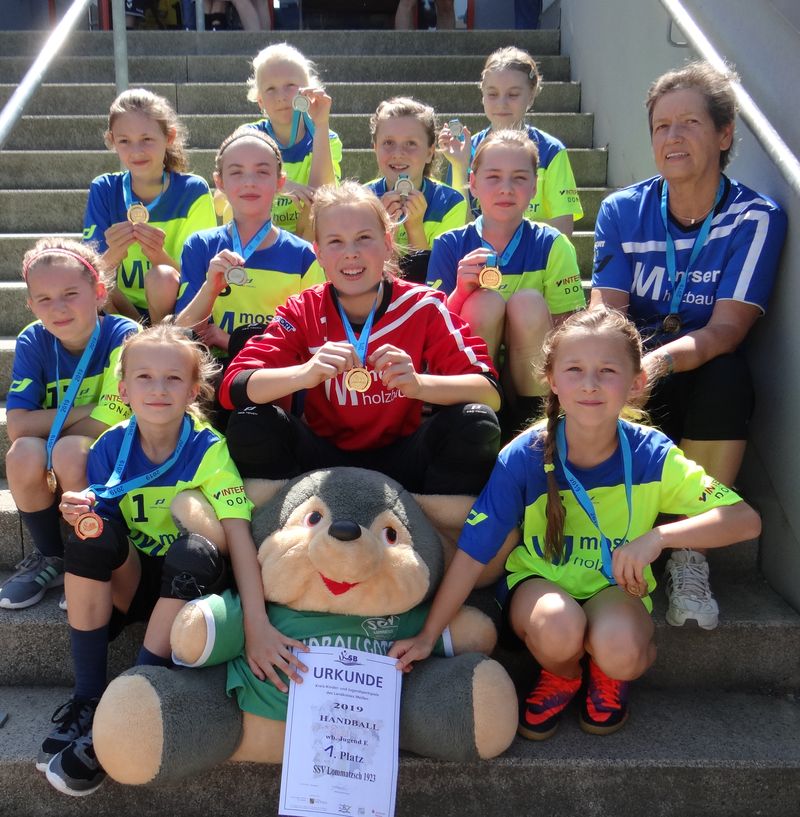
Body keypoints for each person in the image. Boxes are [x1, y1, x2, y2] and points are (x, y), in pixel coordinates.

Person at [390, 307, 760, 740]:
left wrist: (659, 537)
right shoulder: (525, 454)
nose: (589, 384)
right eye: (574, 369)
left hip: (613, 586)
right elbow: (474, 551)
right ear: (551, 379)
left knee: (621, 650)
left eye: (608, 371)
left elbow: (744, 520)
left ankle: (608, 672)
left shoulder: (651, 453)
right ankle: (563, 675)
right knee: (557, 628)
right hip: (540, 582)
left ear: (636, 381)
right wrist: (428, 634)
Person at [39, 323, 308, 796]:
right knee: (87, 538)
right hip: (134, 583)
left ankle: (138, 690)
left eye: (173, 378)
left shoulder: (209, 449)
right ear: (123, 390)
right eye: (144, 377)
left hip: (189, 591)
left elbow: (238, 537)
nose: (158, 389)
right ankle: (88, 698)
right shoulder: (109, 446)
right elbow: (104, 533)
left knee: (195, 549)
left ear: (193, 390)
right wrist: (79, 513)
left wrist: (257, 623)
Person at [590, 60, 787, 629]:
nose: (672, 137)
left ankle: (690, 553)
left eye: (689, 124)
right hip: (633, 363)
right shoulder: (623, 209)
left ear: (724, 134)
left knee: (729, 375)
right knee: (596, 370)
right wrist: (619, 369)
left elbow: (726, 330)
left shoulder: (754, 217)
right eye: (661, 126)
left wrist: (657, 361)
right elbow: (608, 314)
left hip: (696, 363)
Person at [219, 181, 501, 495]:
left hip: (403, 457)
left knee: (476, 423)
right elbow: (233, 387)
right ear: (318, 253)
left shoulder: (422, 305)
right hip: (322, 461)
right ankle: (282, 518)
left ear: (388, 243)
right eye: (335, 242)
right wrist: (304, 374)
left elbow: (490, 393)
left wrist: (419, 384)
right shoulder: (303, 309)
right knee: (250, 421)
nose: (351, 253)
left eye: (364, 238)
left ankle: (436, 520)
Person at [0, 240, 138, 611]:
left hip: (119, 455)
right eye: (43, 299)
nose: (57, 308)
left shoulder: (123, 334)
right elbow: (17, 427)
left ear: (99, 293)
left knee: (68, 450)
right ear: (30, 305)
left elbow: (109, 423)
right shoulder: (33, 339)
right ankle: (51, 556)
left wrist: (55, 423)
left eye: (70, 294)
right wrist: (86, 408)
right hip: (63, 446)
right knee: (22, 453)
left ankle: (90, 556)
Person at [427, 129, 585, 435]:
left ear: (535, 187)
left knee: (528, 304)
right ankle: (475, 426)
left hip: (531, 373)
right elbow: (432, 332)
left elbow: (568, 331)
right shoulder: (449, 244)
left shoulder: (553, 244)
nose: (506, 189)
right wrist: (460, 292)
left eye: (519, 178)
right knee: (483, 303)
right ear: (473, 184)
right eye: (494, 177)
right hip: (469, 380)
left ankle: (535, 429)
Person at [175, 128, 324, 361]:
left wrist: (230, 340)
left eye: (262, 172)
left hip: (276, 372)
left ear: (280, 182)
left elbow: (311, 339)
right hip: (212, 371)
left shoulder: (303, 256)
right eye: (236, 172)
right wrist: (210, 288)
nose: (249, 182)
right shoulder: (200, 245)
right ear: (219, 182)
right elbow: (180, 335)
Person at [83, 88, 216, 324]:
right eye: (125, 141)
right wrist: (115, 252)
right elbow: (88, 274)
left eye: (147, 139)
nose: (137, 151)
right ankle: (132, 337)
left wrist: (157, 254)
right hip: (119, 309)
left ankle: (158, 340)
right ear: (112, 141)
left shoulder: (193, 191)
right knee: (98, 283)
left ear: (169, 137)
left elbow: (198, 278)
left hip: (175, 307)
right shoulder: (104, 188)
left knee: (161, 277)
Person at [440, 46, 583, 237]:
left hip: (535, 256)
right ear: (482, 95)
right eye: (492, 94)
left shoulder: (551, 151)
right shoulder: (465, 150)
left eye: (513, 94)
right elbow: (456, 229)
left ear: (531, 95)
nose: (502, 104)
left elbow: (563, 229)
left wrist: (504, 235)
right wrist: (459, 167)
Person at [236, 43, 342, 241]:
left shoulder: (326, 137)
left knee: (320, 202)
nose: (281, 97)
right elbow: (221, 197)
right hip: (258, 237)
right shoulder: (247, 137)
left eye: (290, 86)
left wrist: (321, 124)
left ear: (309, 91)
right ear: (260, 101)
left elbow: (326, 195)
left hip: (307, 239)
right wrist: (278, 184)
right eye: (270, 89)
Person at [365, 96, 467, 283]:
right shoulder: (361, 200)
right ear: (375, 148)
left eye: (411, 143)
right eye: (388, 143)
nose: (398, 153)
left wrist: (415, 228)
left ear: (429, 152)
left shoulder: (451, 203)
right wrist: (386, 231)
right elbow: (364, 277)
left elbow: (437, 282)